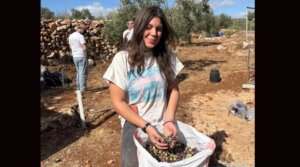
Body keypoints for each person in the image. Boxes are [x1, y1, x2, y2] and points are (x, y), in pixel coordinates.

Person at [103, 6, 184, 167]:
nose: (154, 33)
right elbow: (118, 102)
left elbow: (174, 90)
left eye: (158, 29)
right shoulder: (122, 59)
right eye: (148, 27)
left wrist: (169, 120)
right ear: (139, 27)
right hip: (135, 125)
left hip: (164, 123)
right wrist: (146, 126)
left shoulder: (166, 55)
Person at [69, 23, 88, 92]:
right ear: (81, 29)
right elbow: (84, 47)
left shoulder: (71, 36)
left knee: (78, 72)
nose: (84, 31)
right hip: (82, 56)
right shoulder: (80, 36)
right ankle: (82, 89)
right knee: (83, 72)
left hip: (75, 56)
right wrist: (85, 53)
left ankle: (78, 87)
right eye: (84, 29)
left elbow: (70, 46)